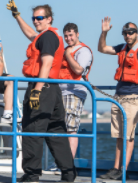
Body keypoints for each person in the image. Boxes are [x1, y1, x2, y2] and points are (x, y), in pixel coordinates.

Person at [6, 1, 76, 182]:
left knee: (32, 129)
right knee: (56, 131)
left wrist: (36, 91)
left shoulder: (47, 38)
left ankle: (32, 174)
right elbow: (31, 34)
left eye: (39, 18)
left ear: (49, 19)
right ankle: (69, 173)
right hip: (52, 90)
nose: (36, 21)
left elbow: (46, 64)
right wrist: (17, 16)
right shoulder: (47, 36)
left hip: (41, 87)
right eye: (34, 18)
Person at [97, 17, 138, 180]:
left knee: (128, 135)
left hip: (133, 97)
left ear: (136, 33)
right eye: (125, 33)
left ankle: (122, 169)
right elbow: (102, 48)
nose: (128, 35)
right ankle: (116, 168)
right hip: (118, 96)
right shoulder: (122, 48)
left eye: (131, 32)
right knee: (119, 135)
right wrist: (104, 33)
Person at [46, 23, 94, 174]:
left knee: (71, 129)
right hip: (60, 93)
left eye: (71, 35)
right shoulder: (65, 49)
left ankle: (66, 166)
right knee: (58, 128)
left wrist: (67, 54)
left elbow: (79, 69)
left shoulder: (83, 51)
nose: (68, 38)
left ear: (77, 34)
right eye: (66, 36)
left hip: (74, 93)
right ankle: (59, 162)